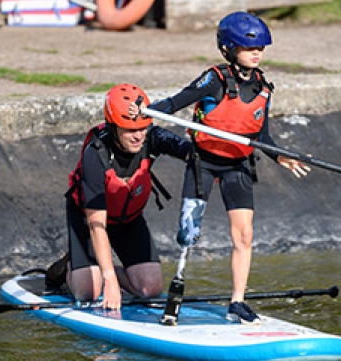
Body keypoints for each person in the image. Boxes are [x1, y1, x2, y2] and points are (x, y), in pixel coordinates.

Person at [130, 11, 311, 324]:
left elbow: (261, 135)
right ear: (229, 48)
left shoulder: (263, 88)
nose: (257, 53)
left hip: (237, 166)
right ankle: (175, 295)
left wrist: (279, 156)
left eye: (260, 49)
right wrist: (144, 111)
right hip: (202, 163)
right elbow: (175, 103)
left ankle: (237, 302)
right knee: (189, 233)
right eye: (249, 47)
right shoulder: (213, 79)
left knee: (244, 236)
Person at [46, 83, 192, 310]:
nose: (138, 136)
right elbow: (97, 225)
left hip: (128, 221)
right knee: (89, 291)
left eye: (143, 128)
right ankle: (68, 268)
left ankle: (95, 267)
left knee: (150, 290)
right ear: (113, 127)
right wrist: (110, 281)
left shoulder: (152, 137)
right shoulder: (95, 154)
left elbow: (188, 151)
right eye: (130, 130)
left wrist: (204, 157)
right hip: (90, 222)